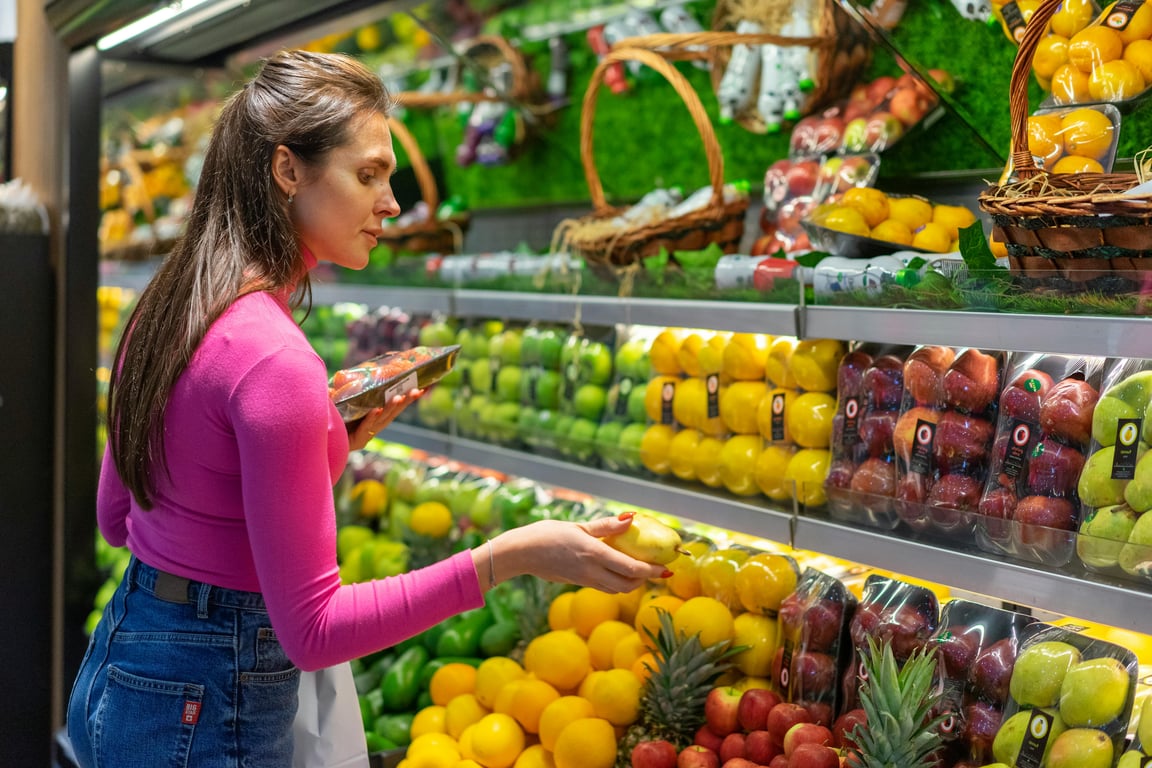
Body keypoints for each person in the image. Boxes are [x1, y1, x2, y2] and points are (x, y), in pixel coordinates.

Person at [66, 49, 667, 767]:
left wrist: (324, 445)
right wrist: (509, 556)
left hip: (123, 663)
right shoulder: (278, 363)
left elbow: (121, 520)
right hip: (207, 703)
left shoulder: (168, 307)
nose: (392, 202)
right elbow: (313, 633)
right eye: (368, 174)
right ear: (288, 171)